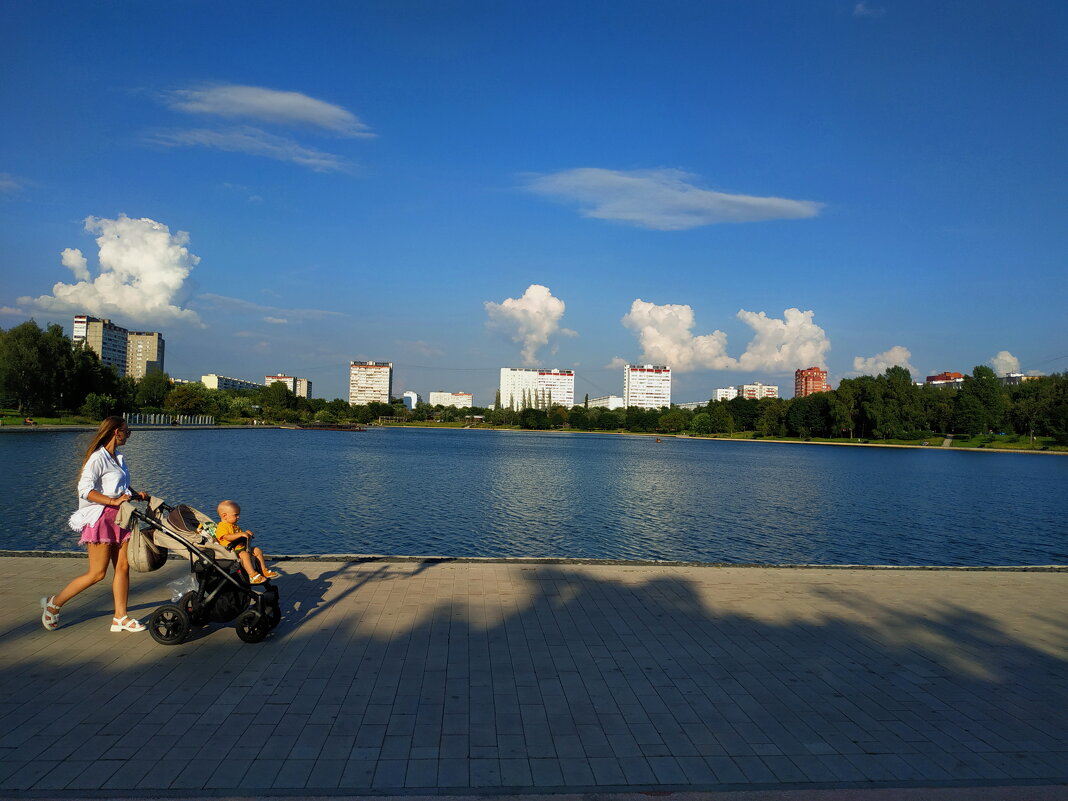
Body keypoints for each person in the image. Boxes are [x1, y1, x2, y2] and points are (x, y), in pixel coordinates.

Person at [41, 417, 150, 632]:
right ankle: (54, 604)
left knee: (123, 567)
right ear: (115, 432)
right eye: (127, 432)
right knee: (97, 573)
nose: (128, 436)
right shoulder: (97, 458)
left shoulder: (117, 457)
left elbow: (118, 486)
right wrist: (112, 501)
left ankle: (120, 617)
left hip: (121, 517)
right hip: (101, 518)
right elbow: (84, 489)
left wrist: (135, 494)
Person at [213, 500, 280, 585]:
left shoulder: (234, 525)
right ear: (224, 516)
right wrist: (240, 534)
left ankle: (263, 570)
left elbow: (239, 535)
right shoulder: (221, 527)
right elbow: (227, 537)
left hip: (241, 548)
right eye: (236, 515)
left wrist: (246, 533)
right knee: (244, 555)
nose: (238, 517)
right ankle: (252, 576)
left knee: (257, 550)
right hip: (231, 552)